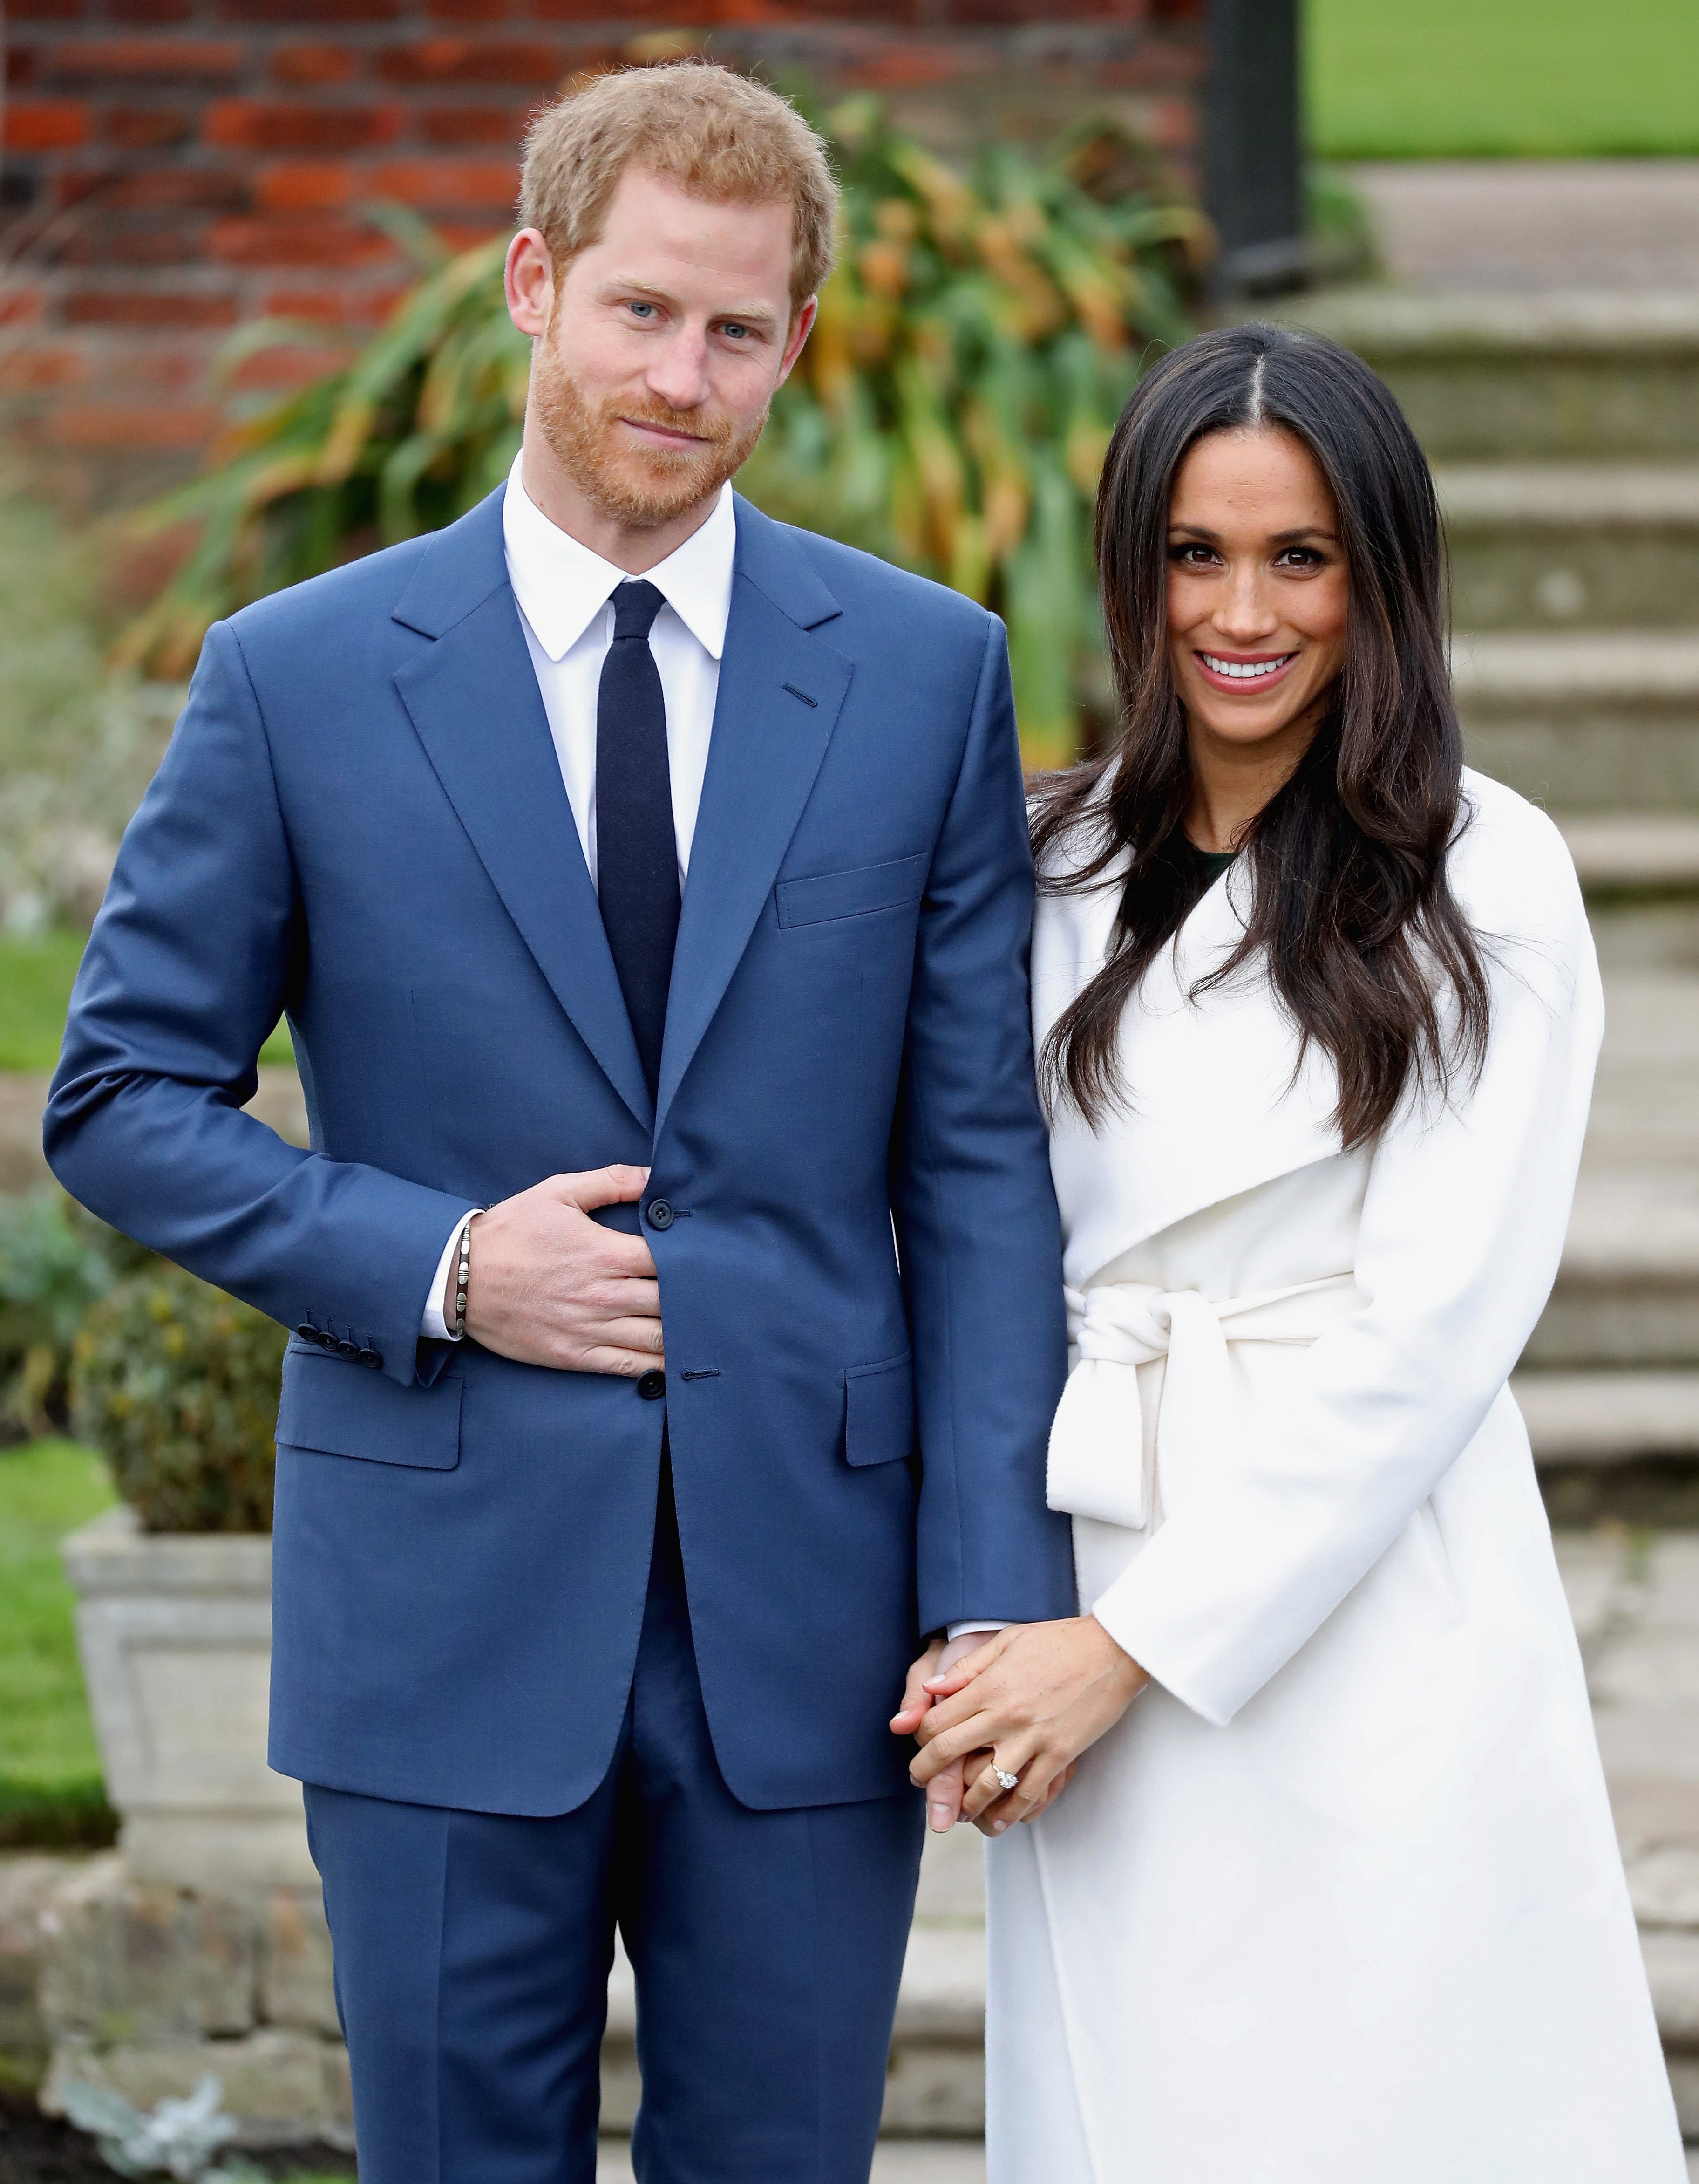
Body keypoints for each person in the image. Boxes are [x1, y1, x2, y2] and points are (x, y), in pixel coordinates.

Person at [44, 62, 1075, 2184]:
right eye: (636, 310)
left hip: (813, 1611)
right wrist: (439, 1263)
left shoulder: (921, 673)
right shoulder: (297, 677)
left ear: (795, 342)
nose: (679, 376)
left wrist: (990, 1581)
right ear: (534, 284)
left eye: (734, 328)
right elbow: (122, 1094)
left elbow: (977, 1160)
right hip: (439, 1596)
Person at [907, 323, 1687, 2182]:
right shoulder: (1050, 857)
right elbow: (968, 1227)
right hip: (1086, 1545)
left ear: (1382, 578)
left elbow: (1430, 1332)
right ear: (1131, 572)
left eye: (1299, 555)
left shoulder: (1485, 871)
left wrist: (1131, 1646)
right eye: (1194, 553)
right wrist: (1000, 1615)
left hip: (1351, 1601)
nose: (1242, 609)